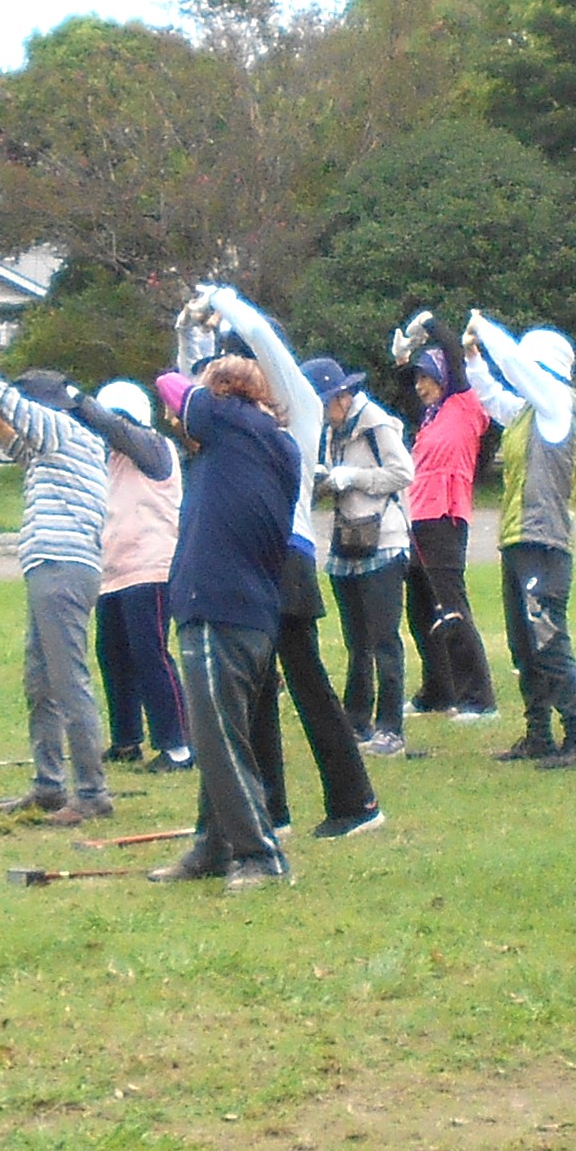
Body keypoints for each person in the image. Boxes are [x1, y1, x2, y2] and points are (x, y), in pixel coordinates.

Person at [195, 291, 381, 840]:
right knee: (257, 688)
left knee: (306, 681)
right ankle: (269, 808)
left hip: (288, 558)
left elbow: (264, 341)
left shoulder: (298, 407)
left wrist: (226, 301)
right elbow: (190, 388)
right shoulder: (242, 419)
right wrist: (191, 327)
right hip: (251, 559)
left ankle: (356, 801)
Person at [0, 361, 135, 821]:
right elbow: (14, 439)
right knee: (40, 682)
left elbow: (9, 403)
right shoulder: (53, 449)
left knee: (68, 682)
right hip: (50, 568)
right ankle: (49, 785)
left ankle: (92, 793)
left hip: (62, 568)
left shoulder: (63, 430)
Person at [161, 349, 307, 884]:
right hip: (251, 607)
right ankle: (212, 846)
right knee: (222, 732)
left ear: (222, 392)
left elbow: (169, 384)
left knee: (217, 737)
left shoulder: (229, 422)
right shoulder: (274, 444)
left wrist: (199, 382)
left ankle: (260, 856)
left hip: (217, 602)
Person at [456, 310, 576, 768]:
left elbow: (514, 367)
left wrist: (484, 328)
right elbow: (492, 397)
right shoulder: (531, 414)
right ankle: (538, 733)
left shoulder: (558, 405)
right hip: (519, 538)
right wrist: (473, 359)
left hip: (544, 541)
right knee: (524, 643)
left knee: (547, 638)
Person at [88, 377, 195, 769]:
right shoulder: (110, 460)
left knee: (150, 654)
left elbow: (116, 429)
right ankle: (126, 739)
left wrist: (79, 402)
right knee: (112, 654)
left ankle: (177, 745)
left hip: (151, 567)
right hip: (114, 570)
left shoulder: (154, 447)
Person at [317, 357, 416, 751]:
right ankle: (356, 722)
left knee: (384, 639)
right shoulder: (333, 430)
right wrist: (326, 479)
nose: (322, 411)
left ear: (342, 397)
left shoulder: (376, 423)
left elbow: (403, 472)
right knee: (355, 641)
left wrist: (354, 477)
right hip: (347, 540)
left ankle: (391, 727)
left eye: (325, 402)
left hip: (385, 540)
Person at [401, 344, 501, 719]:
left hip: (445, 514)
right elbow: (407, 398)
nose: (420, 386)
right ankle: (438, 690)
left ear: (445, 378)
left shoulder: (463, 404)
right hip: (418, 516)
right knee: (420, 608)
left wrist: (429, 325)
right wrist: (402, 362)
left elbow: (454, 358)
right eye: (417, 379)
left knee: (451, 606)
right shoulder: (432, 416)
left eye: (427, 377)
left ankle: (479, 698)